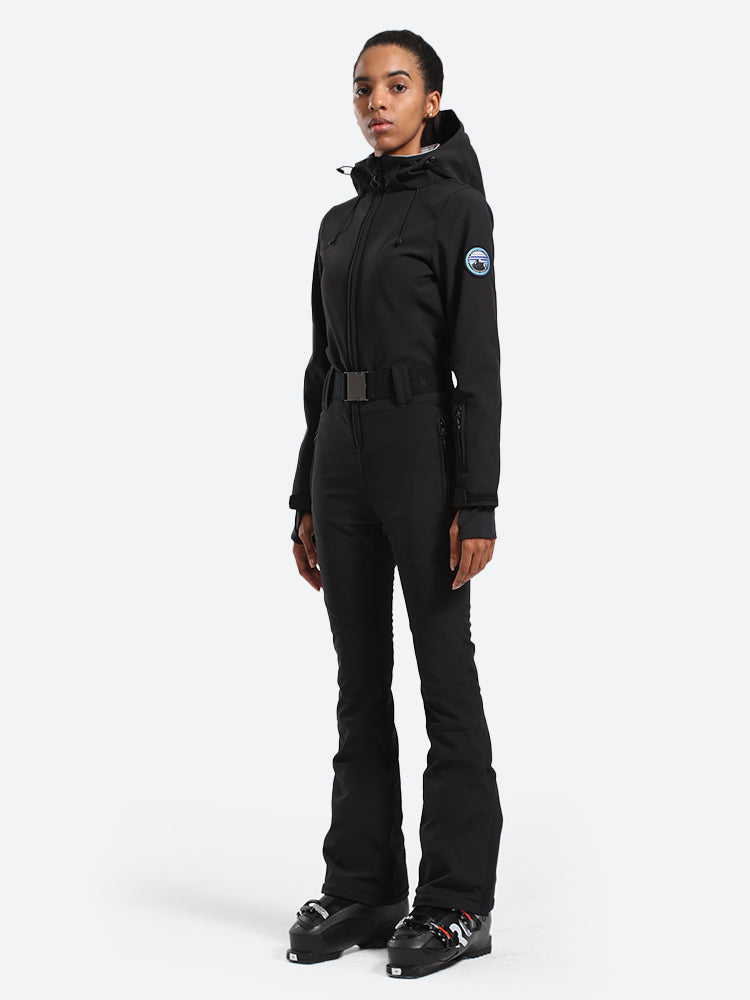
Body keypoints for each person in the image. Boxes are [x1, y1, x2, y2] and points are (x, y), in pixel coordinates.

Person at [286, 29, 503, 979]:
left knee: (444, 675)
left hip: (424, 452)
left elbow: (479, 364)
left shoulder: (460, 211)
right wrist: (304, 492)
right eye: (364, 88)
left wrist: (478, 500)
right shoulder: (338, 222)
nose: (376, 101)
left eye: (397, 85)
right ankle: (365, 885)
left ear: (432, 99)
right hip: (341, 454)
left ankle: (456, 902)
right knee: (358, 679)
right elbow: (320, 364)